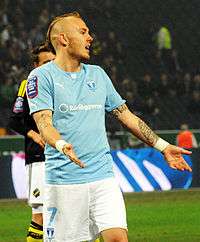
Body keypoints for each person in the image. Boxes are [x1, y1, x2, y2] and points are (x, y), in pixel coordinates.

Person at [26, 12, 192, 242]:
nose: (90, 37)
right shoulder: (41, 77)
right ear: (63, 39)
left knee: (117, 238)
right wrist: (61, 144)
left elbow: (127, 116)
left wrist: (163, 146)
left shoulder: (98, 75)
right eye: (83, 32)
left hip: (103, 177)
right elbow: (44, 122)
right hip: (64, 182)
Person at [9, 43, 55, 242]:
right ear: (36, 66)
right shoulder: (28, 85)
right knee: (41, 214)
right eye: (46, 62)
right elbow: (14, 120)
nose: (50, 66)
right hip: (39, 158)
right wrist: (35, 135)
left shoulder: (63, 85)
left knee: (77, 211)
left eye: (53, 61)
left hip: (63, 156)